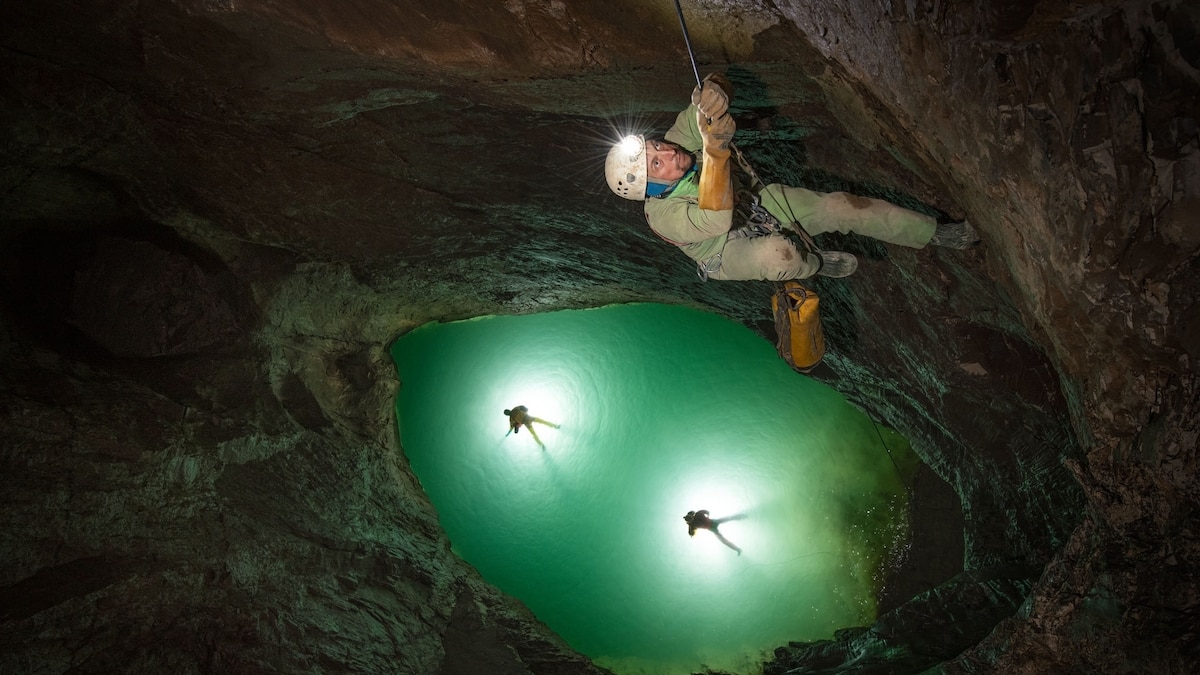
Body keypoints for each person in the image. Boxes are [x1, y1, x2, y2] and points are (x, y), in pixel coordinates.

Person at [604, 73, 979, 280]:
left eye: (655, 146)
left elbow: (702, 106)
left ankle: (932, 232)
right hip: (724, 250)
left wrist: (715, 91)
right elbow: (717, 219)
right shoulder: (662, 217)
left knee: (842, 206)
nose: (667, 152)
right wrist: (715, 151)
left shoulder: (675, 145)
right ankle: (817, 264)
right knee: (780, 254)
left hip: (754, 202)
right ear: (652, 188)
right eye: (656, 164)